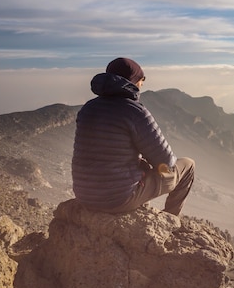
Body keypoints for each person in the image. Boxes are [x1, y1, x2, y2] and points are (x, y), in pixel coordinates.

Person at [71, 57, 194, 216]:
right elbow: (166, 162)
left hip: (85, 195)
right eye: (142, 79)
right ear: (134, 80)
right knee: (188, 165)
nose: (142, 84)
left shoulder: (88, 108)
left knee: (142, 164)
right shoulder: (134, 111)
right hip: (117, 199)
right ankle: (171, 218)